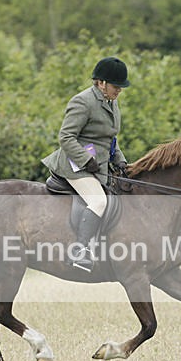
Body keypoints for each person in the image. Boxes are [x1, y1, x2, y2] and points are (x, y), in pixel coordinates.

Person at [42, 56, 130, 272]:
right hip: (75, 164)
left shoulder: (112, 102)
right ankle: (80, 251)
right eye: (115, 86)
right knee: (98, 201)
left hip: (99, 165)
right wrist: (85, 159)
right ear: (101, 83)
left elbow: (109, 138)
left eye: (120, 87)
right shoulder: (83, 101)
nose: (119, 90)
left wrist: (121, 161)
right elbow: (66, 137)